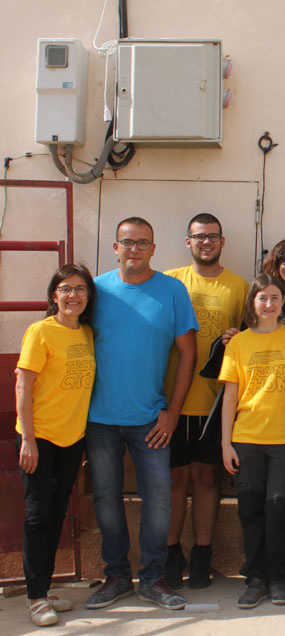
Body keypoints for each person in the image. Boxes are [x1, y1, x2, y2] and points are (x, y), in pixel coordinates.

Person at [84, 217, 198, 612]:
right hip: (99, 419)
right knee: (106, 498)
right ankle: (116, 576)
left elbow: (188, 355)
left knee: (159, 500)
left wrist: (172, 413)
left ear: (153, 248)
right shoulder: (95, 290)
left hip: (152, 419)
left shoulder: (172, 290)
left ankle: (153, 578)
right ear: (115, 247)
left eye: (143, 243)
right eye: (127, 242)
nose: (135, 249)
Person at [163, 213, 249, 590]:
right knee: (173, 480)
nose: (206, 242)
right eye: (199, 237)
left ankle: (202, 554)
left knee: (207, 478)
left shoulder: (239, 286)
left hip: (216, 404)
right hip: (171, 402)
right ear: (188, 242)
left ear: (222, 241)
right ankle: (170, 553)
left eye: (212, 236)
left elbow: (254, 335)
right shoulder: (170, 281)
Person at [219, 274, 285, 608]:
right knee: (250, 509)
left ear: (283, 302)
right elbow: (230, 397)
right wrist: (225, 443)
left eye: (275, 297)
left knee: (280, 508)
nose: (269, 304)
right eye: (263, 298)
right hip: (246, 439)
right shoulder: (238, 343)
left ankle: (278, 576)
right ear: (253, 303)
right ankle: (255, 578)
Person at [14, 264, 96, 627]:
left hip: (72, 439)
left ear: (88, 297)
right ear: (54, 296)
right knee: (37, 517)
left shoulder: (88, 334)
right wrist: (28, 439)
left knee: (57, 514)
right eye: (66, 289)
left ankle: (44, 590)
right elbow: (23, 385)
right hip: (40, 438)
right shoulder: (40, 332)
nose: (73, 295)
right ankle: (35, 599)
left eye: (80, 289)